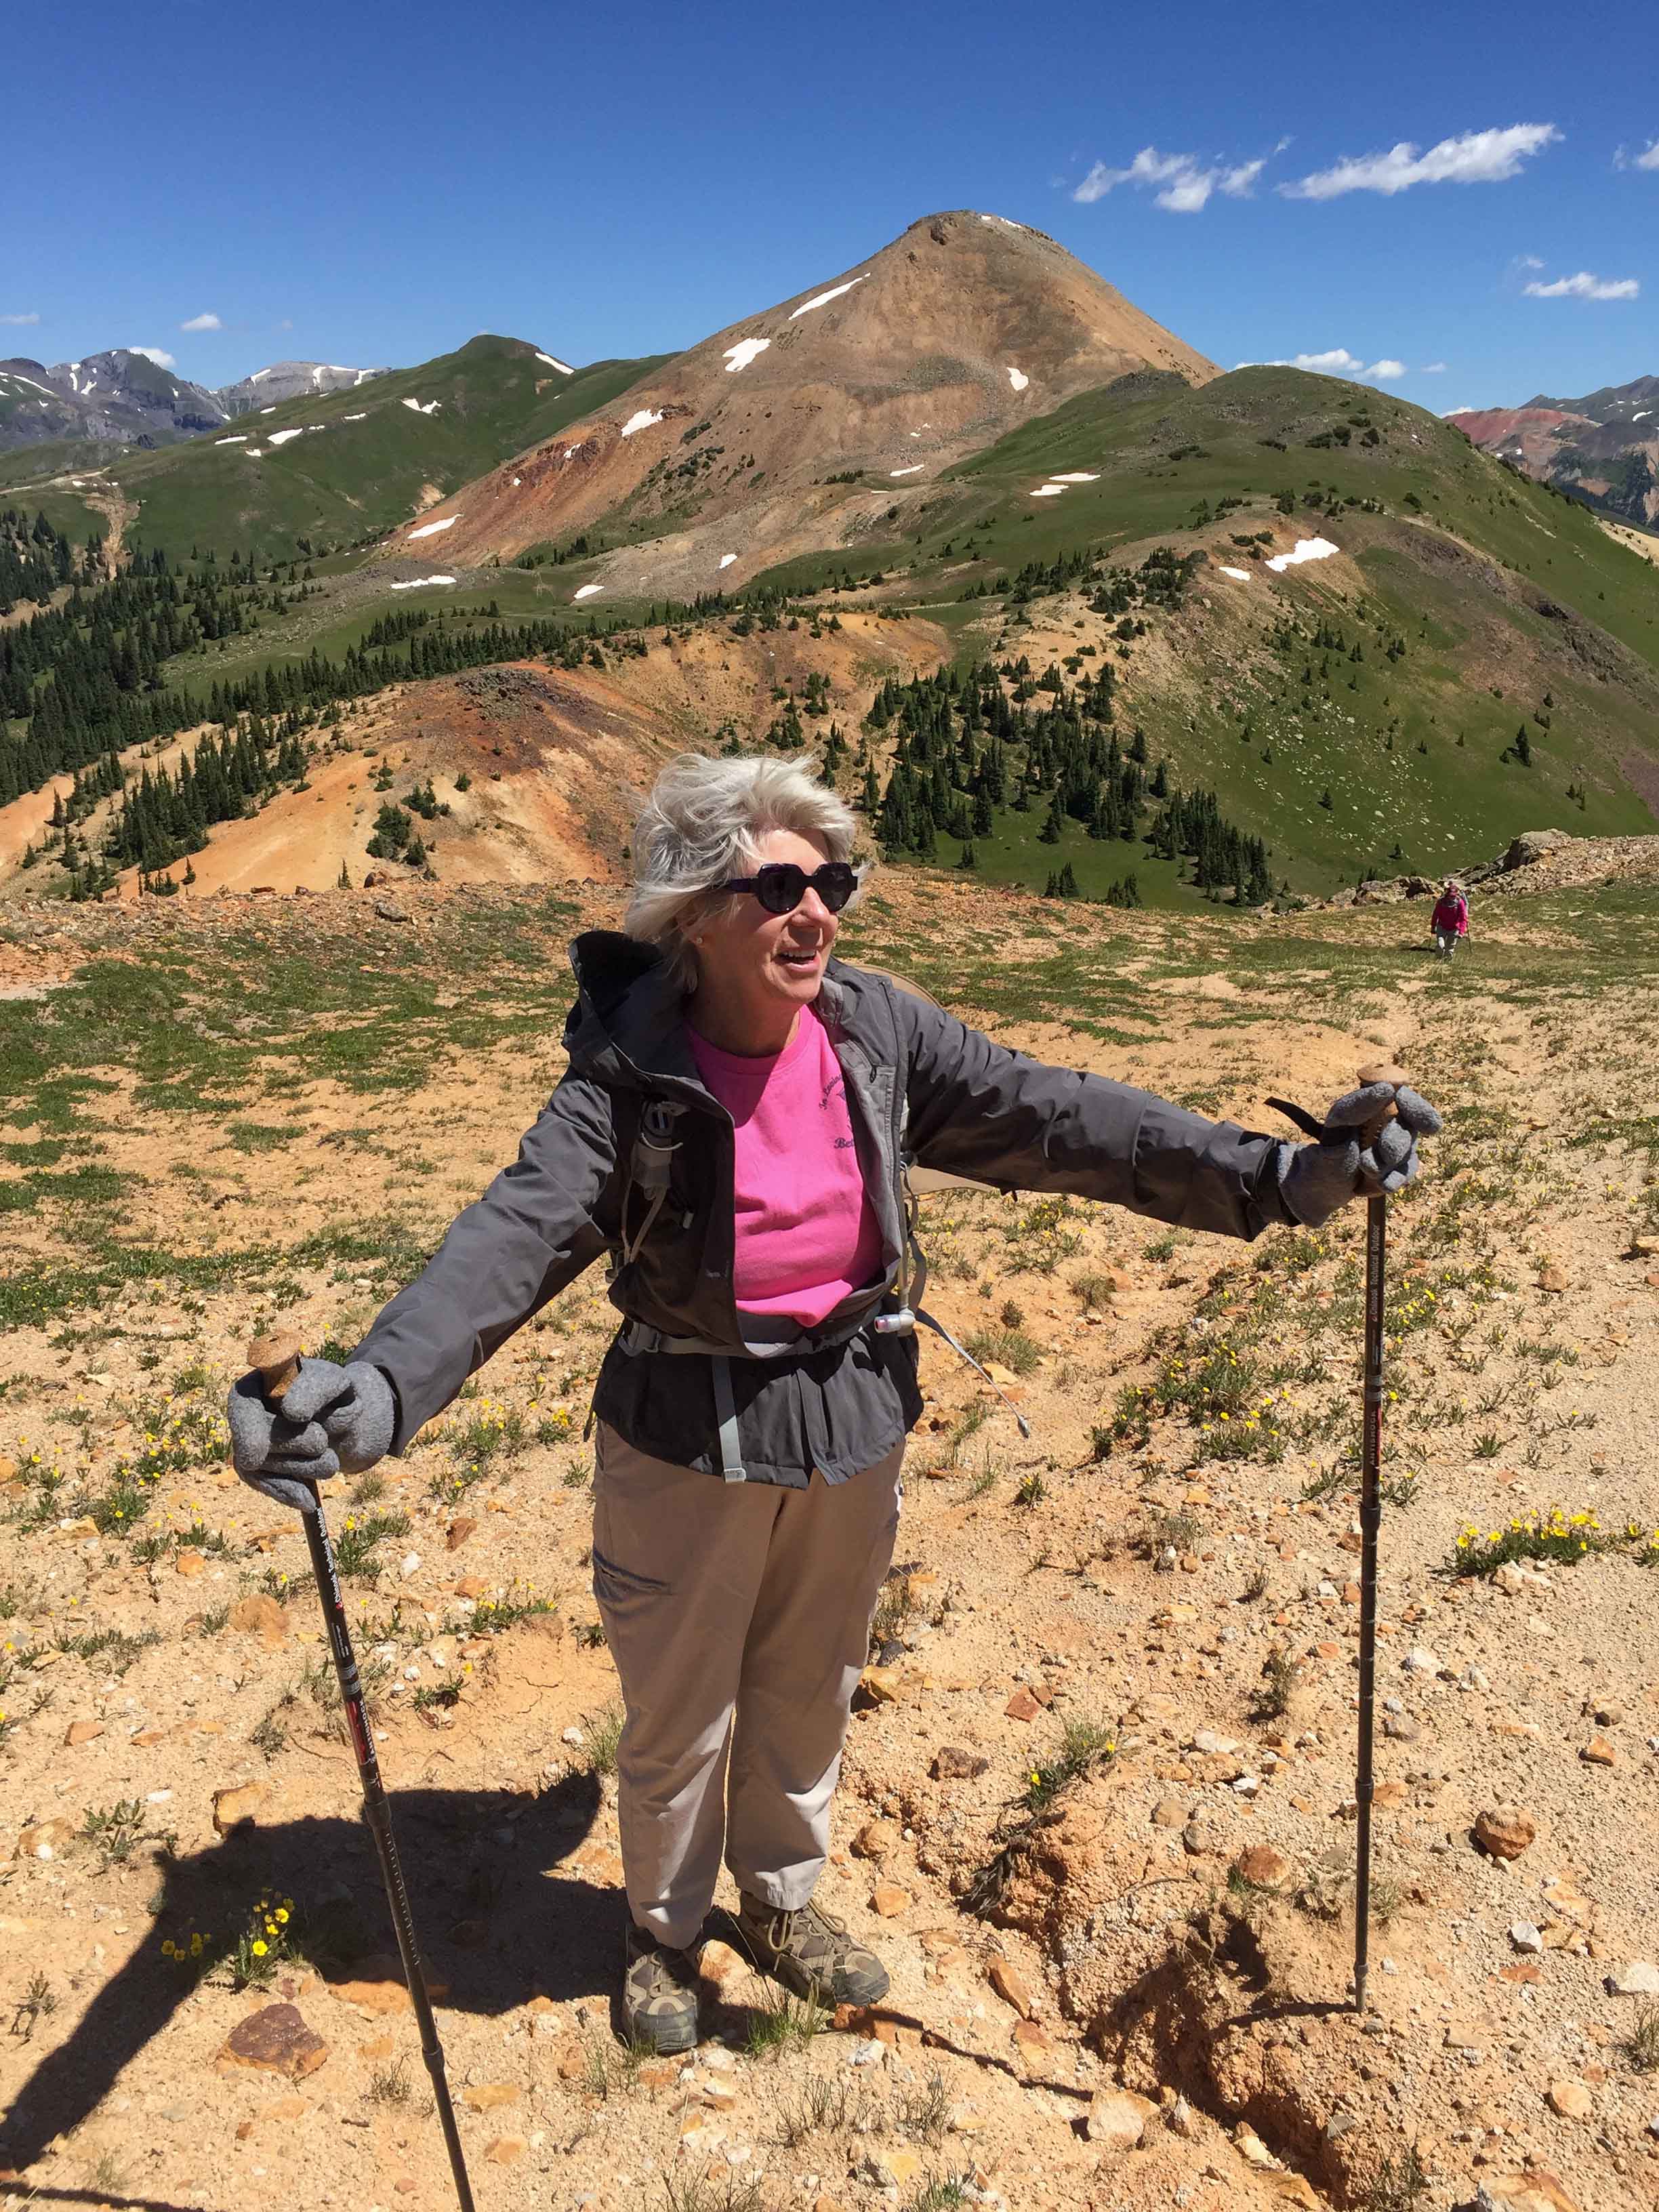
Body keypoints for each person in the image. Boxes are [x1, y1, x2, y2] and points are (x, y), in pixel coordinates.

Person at [228, 752, 1441, 2055]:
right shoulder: (624, 1083)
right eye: (779, 885)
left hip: (853, 1413)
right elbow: (510, 1239)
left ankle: (781, 1897)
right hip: (685, 1434)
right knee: (682, 1709)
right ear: (696, 911)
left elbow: (1061, 1117)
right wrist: (380, 1386)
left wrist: (1269, 1172)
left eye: (834, 882)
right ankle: (659, 1931)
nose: (815, 911)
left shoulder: (873, 1031)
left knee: (810, 1680)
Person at [1431, 878, 1469, 960]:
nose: (1452, 898)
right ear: (1447, 894)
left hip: (1454, 928)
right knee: (1440, 946)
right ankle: (1438, 961)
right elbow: (1435, 915)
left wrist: (1461, 932)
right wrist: (1433, 927)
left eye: (1454, 896)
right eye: (1451, 896)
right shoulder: (1441, 902)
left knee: (1450, 949)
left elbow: (1463, 919)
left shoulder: (1460, 902)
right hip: (1442, 927)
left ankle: (1447, 964)